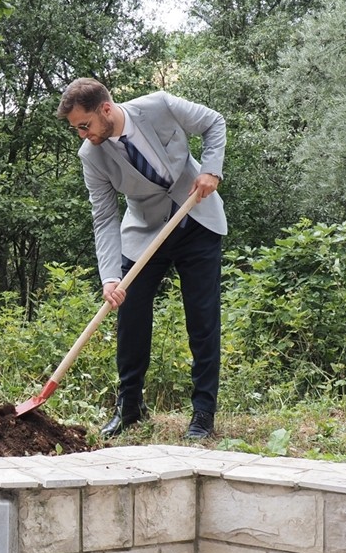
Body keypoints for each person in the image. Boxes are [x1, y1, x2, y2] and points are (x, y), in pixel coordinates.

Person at [56, 77, 227, 440]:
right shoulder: (92, 155)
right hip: (145, 231)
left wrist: (210, 169)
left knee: (202, 317)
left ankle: (203, 412)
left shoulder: (160, 105)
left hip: (196, 216)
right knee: (130, 315)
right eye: (76, 129)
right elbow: (103, 218)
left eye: (84, 125)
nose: (83, 135)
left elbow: (214, 122)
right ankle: (129, 406)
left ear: (106, 109)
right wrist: (109, 278)